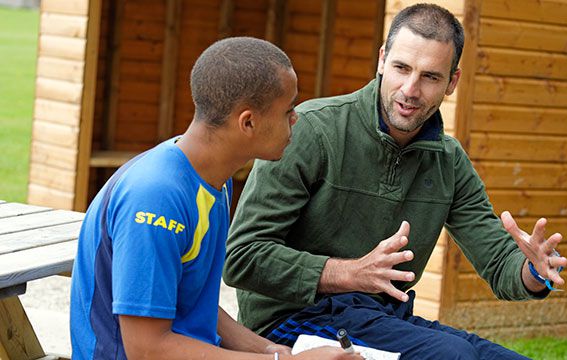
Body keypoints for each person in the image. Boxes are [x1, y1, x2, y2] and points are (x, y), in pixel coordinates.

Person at [223, 4, 567, 360]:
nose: (410, 89)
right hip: (293, 320)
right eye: (401, 68)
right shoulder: (311, 130)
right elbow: (242, 256)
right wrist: (346, 273)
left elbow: (499, 263)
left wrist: (533, 271)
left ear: (452, 81)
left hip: (383, 319)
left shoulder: (448, 161)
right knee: (453, 356)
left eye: (430, 77)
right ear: (382, 59)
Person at [69, 37, 363, 360]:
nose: (296, 118)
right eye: (289, 109)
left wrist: (270, 350)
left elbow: (192, 302)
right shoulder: (156, 197)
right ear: (247, 122)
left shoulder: (210, 180)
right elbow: (148, 349)